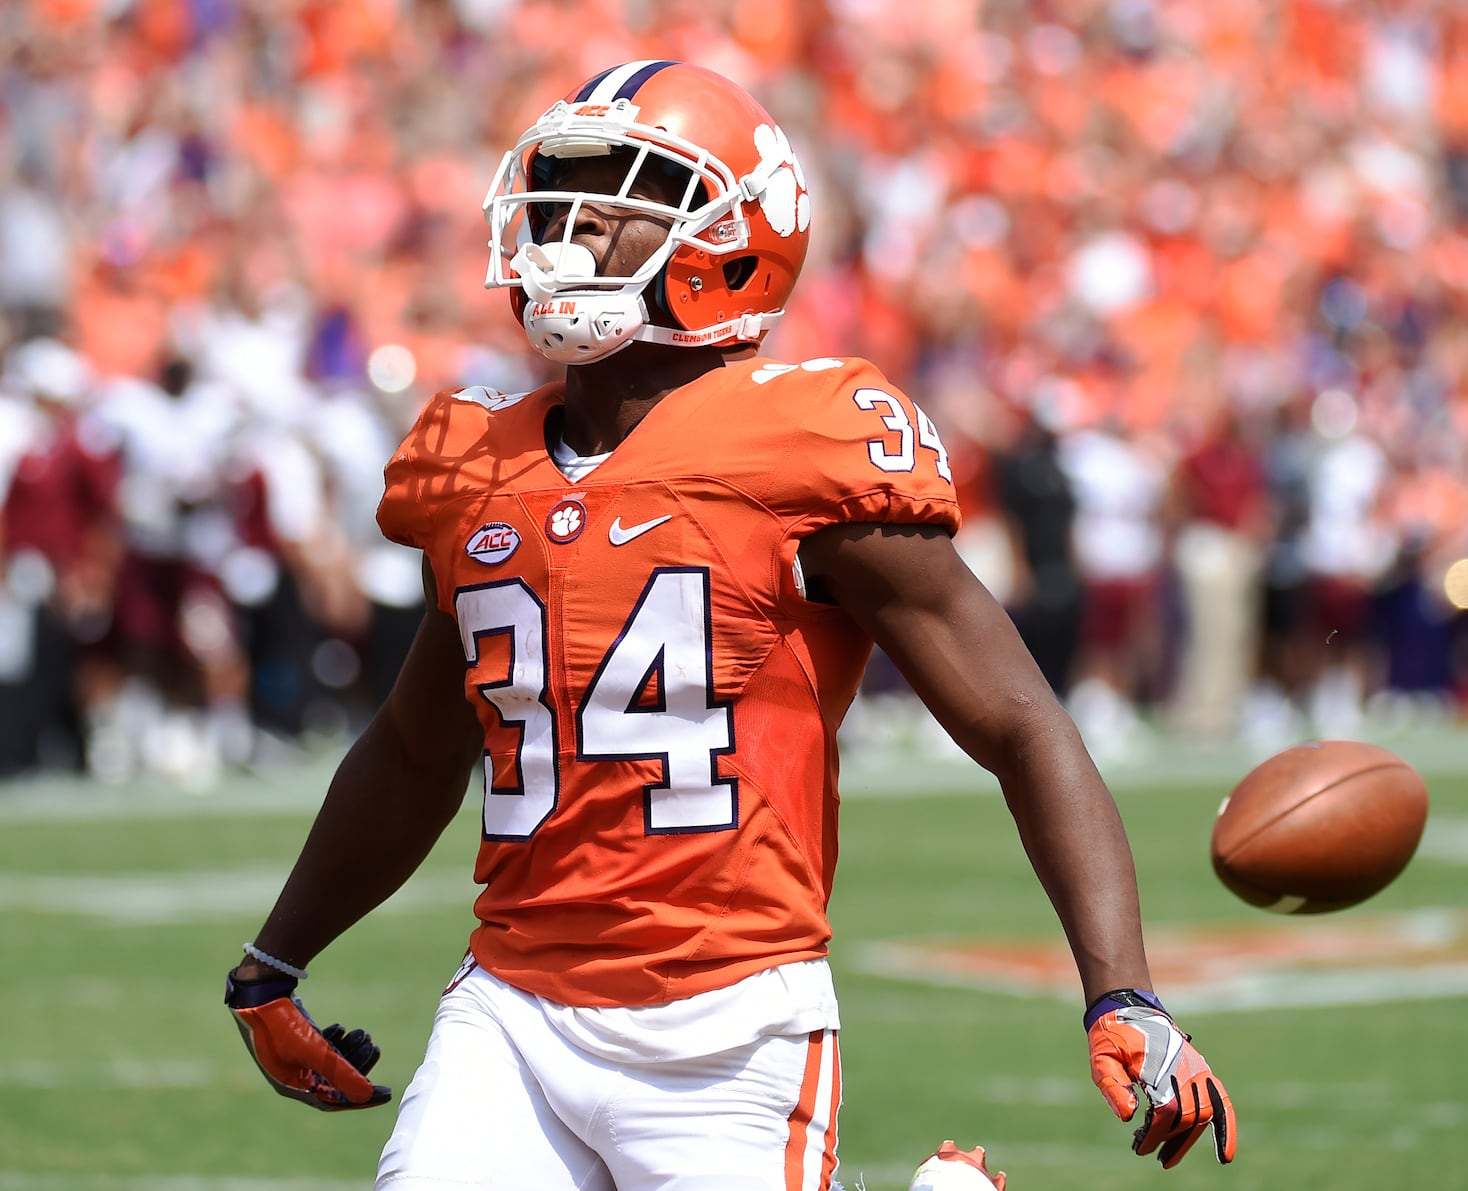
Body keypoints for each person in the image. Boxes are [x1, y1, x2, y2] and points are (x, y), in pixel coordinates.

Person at [222, 61, 1236, 1190]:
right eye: (558, 192)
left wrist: (1123, 992)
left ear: (731, 243)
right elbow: (418, 746)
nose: (567, 225)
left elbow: (1020, 725)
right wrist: (274, 963)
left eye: (621, 193)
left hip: (728, 1026)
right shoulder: (482, 465)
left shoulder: (799, 444)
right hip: (509, 1008)